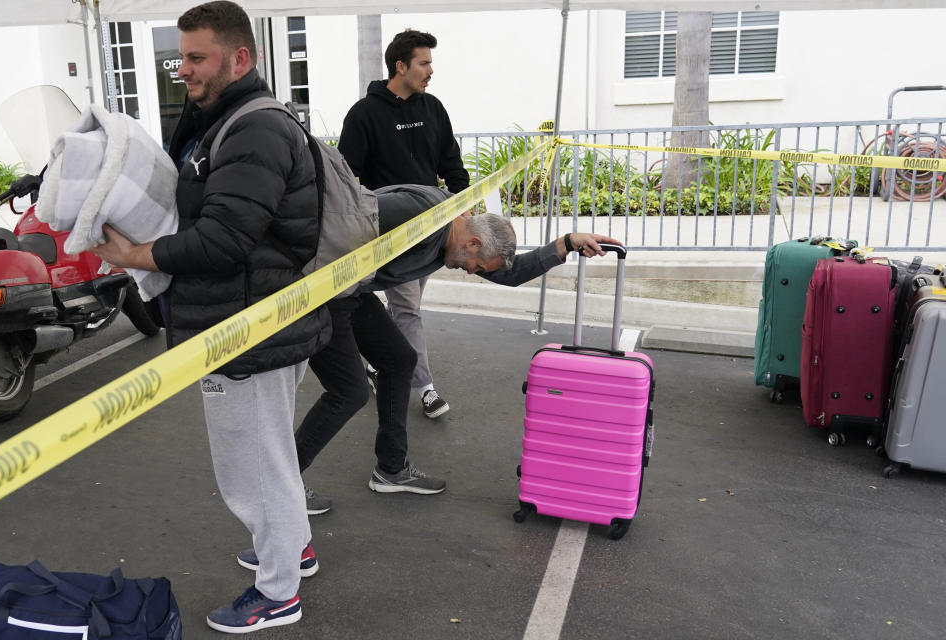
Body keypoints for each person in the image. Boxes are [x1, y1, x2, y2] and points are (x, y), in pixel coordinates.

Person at [91, 1, 328, 634]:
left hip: (246, 329)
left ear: (239, 58)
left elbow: (223, 240)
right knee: (268, 456)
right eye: (180, 57)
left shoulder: (254, 128)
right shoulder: (220, 120)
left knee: (253, 470)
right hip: (251, 320)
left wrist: (134, 254)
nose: (182, 70)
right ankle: (293, 551)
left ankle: (278, 593)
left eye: (196, 58)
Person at [293, 183, 620, 500]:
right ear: (474, 242)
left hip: (350, 293)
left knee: (399, 361)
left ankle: (390, 469)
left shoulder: (457, 235)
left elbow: (509, 273)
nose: (471, 271)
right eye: (476, 266)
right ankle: (285, 487)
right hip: (317, 290)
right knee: (350, 391)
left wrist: (566, 243)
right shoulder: (417, 216)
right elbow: (337, 219)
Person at [338, 29, 469, 420]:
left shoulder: (433, 108)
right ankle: (425, 386)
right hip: (388, 233)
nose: (431, 70)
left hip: (435, 228)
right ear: (401, 66)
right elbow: (348, 177)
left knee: (406, 305)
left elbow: (451, 163)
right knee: (407, 306)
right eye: (424, 62)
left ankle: (383, 363)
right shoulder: (364, 114)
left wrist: (461, 209)